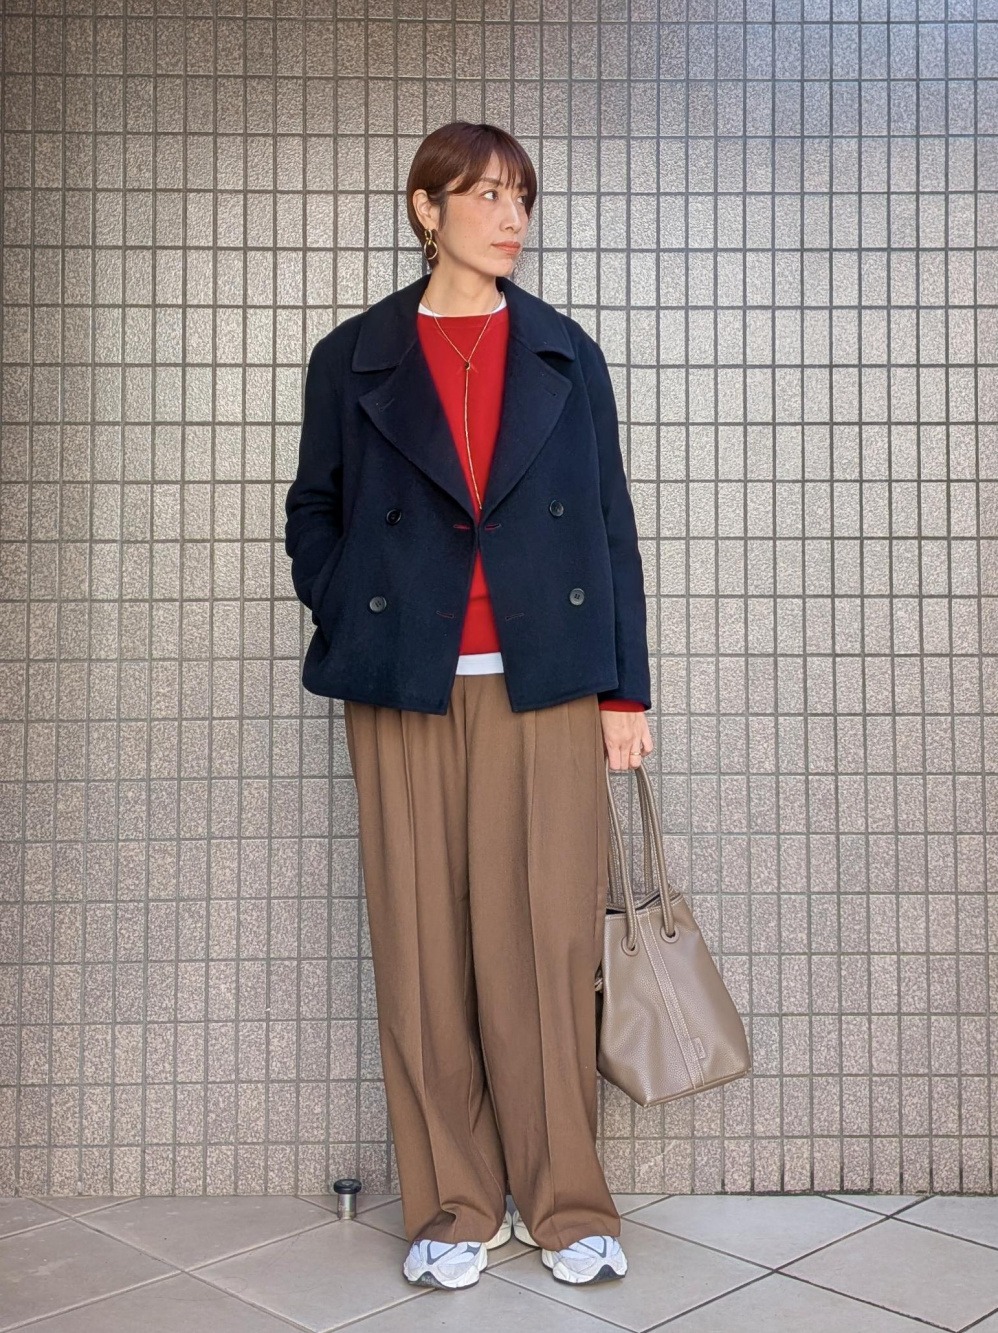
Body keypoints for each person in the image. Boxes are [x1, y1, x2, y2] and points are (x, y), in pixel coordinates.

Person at [284, 121, 654, 1291]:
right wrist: (350, 600)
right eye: (485, 194)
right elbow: (312, 509)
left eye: (521, 197)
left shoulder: (562, 353)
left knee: (544, 947)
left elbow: (609, 525)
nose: (509, 218)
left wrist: (624, 687)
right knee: (420, 948)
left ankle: (565, 1203)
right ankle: (452, 1204)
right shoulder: (353, 357)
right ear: (424, 207)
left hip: (544, 682)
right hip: (403, 682)